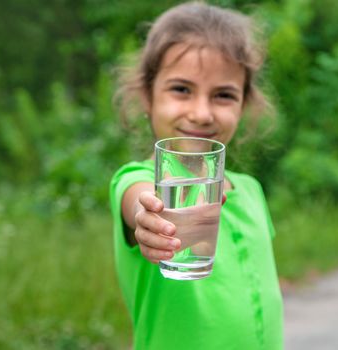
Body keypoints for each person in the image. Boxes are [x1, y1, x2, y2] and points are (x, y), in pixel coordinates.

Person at [109, 2, 283, 349]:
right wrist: (150, 217)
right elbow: (139, 201)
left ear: (244, 104)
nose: (201, 113)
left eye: (223, 95)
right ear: (147, 96)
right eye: (181, 89)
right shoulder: (135, 179)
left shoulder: (251, 191)